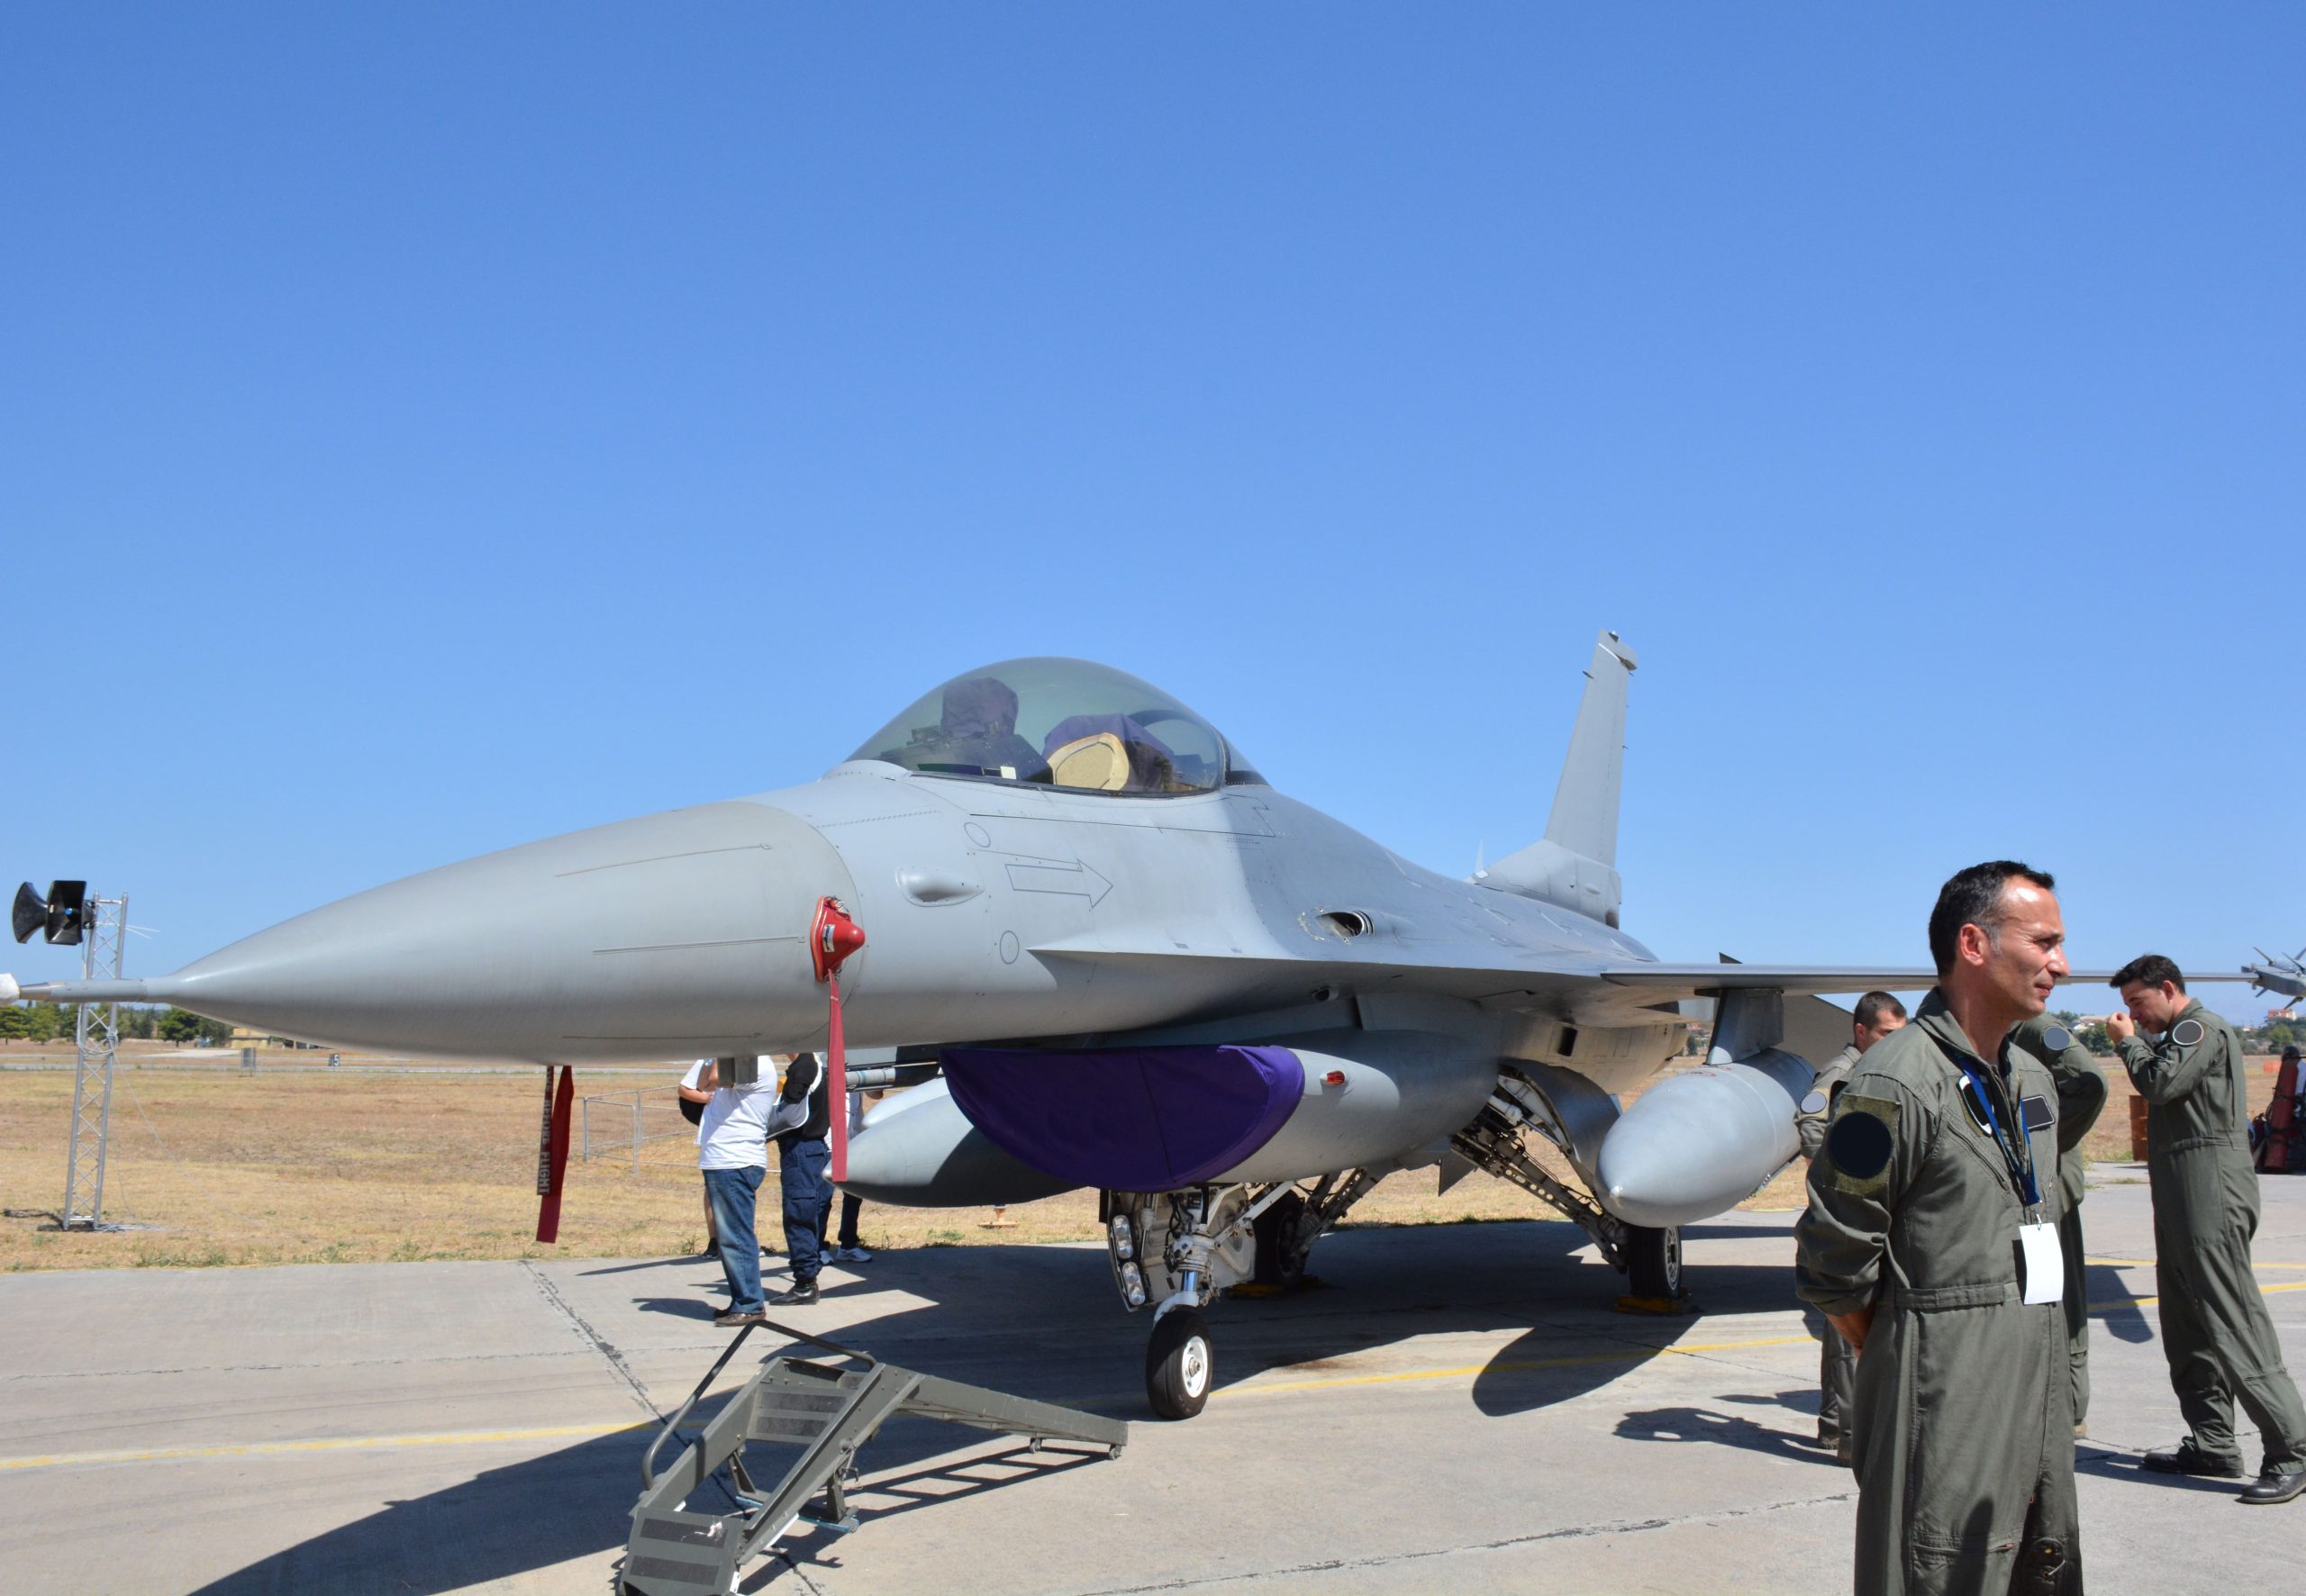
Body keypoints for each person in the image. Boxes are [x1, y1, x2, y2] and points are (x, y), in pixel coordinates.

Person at [1795, 861, 2080, 1594]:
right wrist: (1910, 1339)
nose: (2061, 964)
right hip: (1946, 1387)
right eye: (2043, 942)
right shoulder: (1887, 1085)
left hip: (2032, 1367)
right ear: (1974, 945)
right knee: (1936, 1567)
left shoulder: (2030, 1078)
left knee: (2036, 1559)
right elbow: (1835, 1251)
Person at [2107, 956, 2306, 1505]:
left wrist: (2127, 1044)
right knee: (2186, 1324)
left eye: (2137, 1003)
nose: (2133, 1016)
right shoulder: (2174, 1035)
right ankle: (2214, 1441)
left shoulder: (2199, 1028)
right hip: (2179, 1195)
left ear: (2167, 989)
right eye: (2128, 1009)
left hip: (2209, 1191)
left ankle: (2293, 1448)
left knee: (2230, 1316)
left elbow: (2162, 1084)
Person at [1794, 990, 1908, 1465]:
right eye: (1885, 1034)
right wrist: (1850, 1167)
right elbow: (1809, 1125)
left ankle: (1839, 1426)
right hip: (1846, 1212)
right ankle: (1844, 1433)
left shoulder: (1880, 1071)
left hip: (1867, 1210)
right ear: (1861, 1031)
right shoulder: (1843, 1073)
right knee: (1846, 1327)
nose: (1892, 1043)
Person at [2010, 1013, 2107, 1435]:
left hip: (2049, 1185)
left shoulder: (2035, 1029)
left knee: (2055, 1295)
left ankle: (2069, 1406)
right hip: (2024, 1182)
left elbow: (2090, 1084)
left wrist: (2039, 1141)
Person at [677, 1056, 776, 1328]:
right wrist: (714, 1054)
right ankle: (741, 1300)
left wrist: (719, 1051)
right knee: (729, 1238)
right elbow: (698, 1085)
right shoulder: (733, 1061)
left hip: (736, 1160)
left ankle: (750, 1304)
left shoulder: (756, 1063)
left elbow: (712, 1079)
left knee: (737, 1237)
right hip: (723, 1159)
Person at [765, 1051, 833, 1307]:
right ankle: (809, 1272)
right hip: (815, 1149)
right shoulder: (818, 1063)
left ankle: (805, 1283)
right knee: (811, 1211)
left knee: (798, 1212)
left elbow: (792, 1102)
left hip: (801, 1150)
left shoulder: (804, 1064)